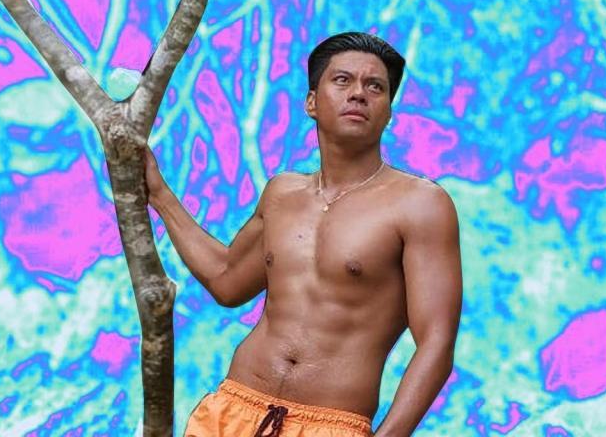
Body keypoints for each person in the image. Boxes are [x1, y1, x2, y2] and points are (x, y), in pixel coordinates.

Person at [144, 32, 463, 437]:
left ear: (388, 113)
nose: (358, 93)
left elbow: (436, 342)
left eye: (375, 87)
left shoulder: (421, 204)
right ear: (311, 102)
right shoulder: (283, 192)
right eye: (342, 80)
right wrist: (159, 194)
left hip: (330, 424)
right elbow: (227, 281)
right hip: (233, 410)